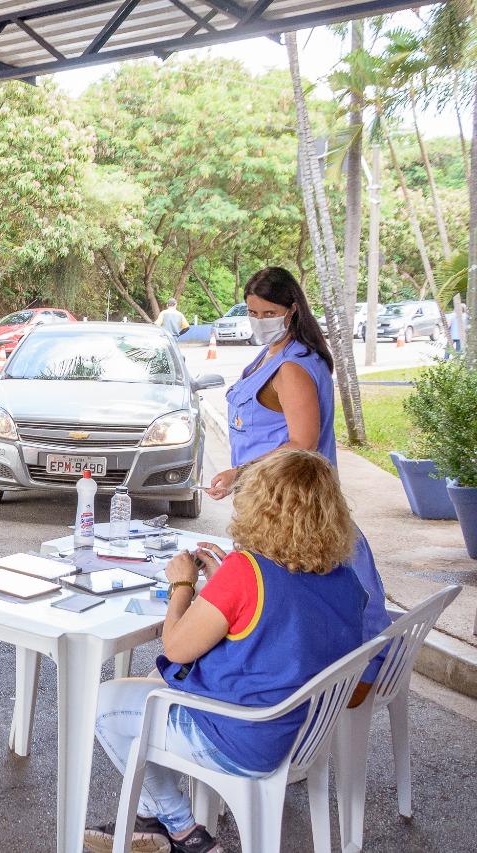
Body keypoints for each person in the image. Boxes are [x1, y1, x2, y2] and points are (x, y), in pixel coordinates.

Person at [86, 450, 367, 853]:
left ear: (261, 507)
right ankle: (150, 820)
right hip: (300, 732)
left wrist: (182, 584)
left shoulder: (246, 570)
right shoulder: (345, 578)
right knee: (150, 686)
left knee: (105, 705)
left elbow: (177, 647)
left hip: (241, 737)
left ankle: (184, 831)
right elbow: (283, 625)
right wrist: (223, 587)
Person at [206, 266, 388, 702]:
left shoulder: (292, 366)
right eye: (252, 311)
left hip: (290, 510)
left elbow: (302, 443)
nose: (258, 319)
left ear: (292, 310)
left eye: (268, 311)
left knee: (272, 622)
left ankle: (277, 726)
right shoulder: (276, 354)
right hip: (281, 511)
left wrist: (241, 472)